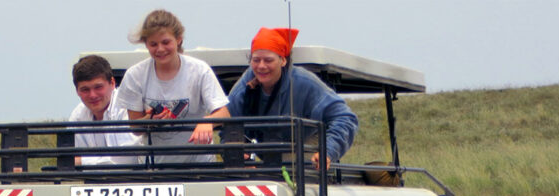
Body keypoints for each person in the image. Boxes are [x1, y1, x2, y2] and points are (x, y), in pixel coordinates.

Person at [227, 27, 359, 169]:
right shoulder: (244, 86)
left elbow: (345, 118)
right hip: (263, 149)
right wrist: (238, 152)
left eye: (268, 60)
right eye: (256, 60)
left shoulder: (305, 83)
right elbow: (226, 122)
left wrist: (327, 151)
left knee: (289, 171)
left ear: (283, 60)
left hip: (303, 145)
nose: (261, 66)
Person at [116, 9, 230, 163]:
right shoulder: (135, 75)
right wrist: (150, 120)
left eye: (166, 42)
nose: (160, 49)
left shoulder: (199, 70)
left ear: (179, 40)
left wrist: (207, 122)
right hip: (154, 167)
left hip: (199, 165)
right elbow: (135, 128)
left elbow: (224, 113)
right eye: (153, 44)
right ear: (146, 45)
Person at [69, 54, 140, 165]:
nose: (92, 95)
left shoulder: (126, 106)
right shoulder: (77, 116)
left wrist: (82, 162)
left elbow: (128, 159)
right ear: (77, 91)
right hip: (93, 181)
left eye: (98, 87)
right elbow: (72, 161)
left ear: (112, 83)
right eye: (85, 89)